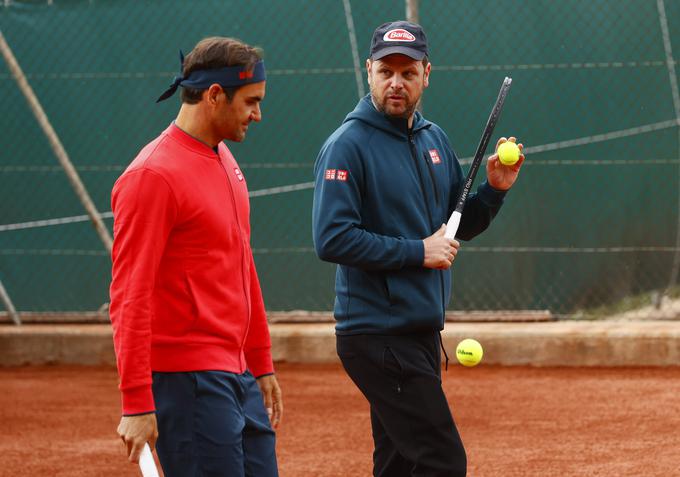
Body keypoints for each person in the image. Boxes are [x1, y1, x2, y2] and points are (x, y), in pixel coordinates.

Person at [312, 21, 524, 477]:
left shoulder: (434, 139)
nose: (395, 82)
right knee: (442, 459)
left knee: (401, 461)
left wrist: (494, 190)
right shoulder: (346, 146)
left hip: (419, 332)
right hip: (377, 334)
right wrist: (417, 252)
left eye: (407, 73)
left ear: (427, 73)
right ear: (368, 71)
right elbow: (331, 238)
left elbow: (454, 228)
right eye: (386, 71)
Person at [109, 36, 282, 477]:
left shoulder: (224, 159)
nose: (258, 115)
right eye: (251, 102)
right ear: (214, 96)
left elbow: (242, 263)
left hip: (236, 373)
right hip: (186, 383)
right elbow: (130, 295)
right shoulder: (152, 177)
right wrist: (135, 402)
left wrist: (260, 362)